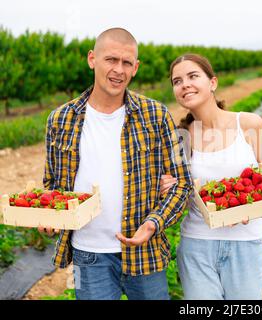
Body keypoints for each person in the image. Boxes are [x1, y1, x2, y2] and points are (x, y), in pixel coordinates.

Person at [38, 28, 193, 300]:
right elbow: (51, 185)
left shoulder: (156, 115)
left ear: (136, 68)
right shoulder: (60, 119)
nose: (118, 70)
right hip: (88, 256)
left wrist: (153, 223)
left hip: (146, 253)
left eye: (126, 62)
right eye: (111, 60)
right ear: (92, 59)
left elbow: (182, 183)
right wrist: (50, 217)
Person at [160, 53, 262, 300]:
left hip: (246, 244)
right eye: (177, 81)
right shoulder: (178, 137)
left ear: (212, 82)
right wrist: (167, 187)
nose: (185, 85)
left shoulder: (250, 124)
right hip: (197, 244)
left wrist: (249, 207)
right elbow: (179, 192)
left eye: (193, 76)